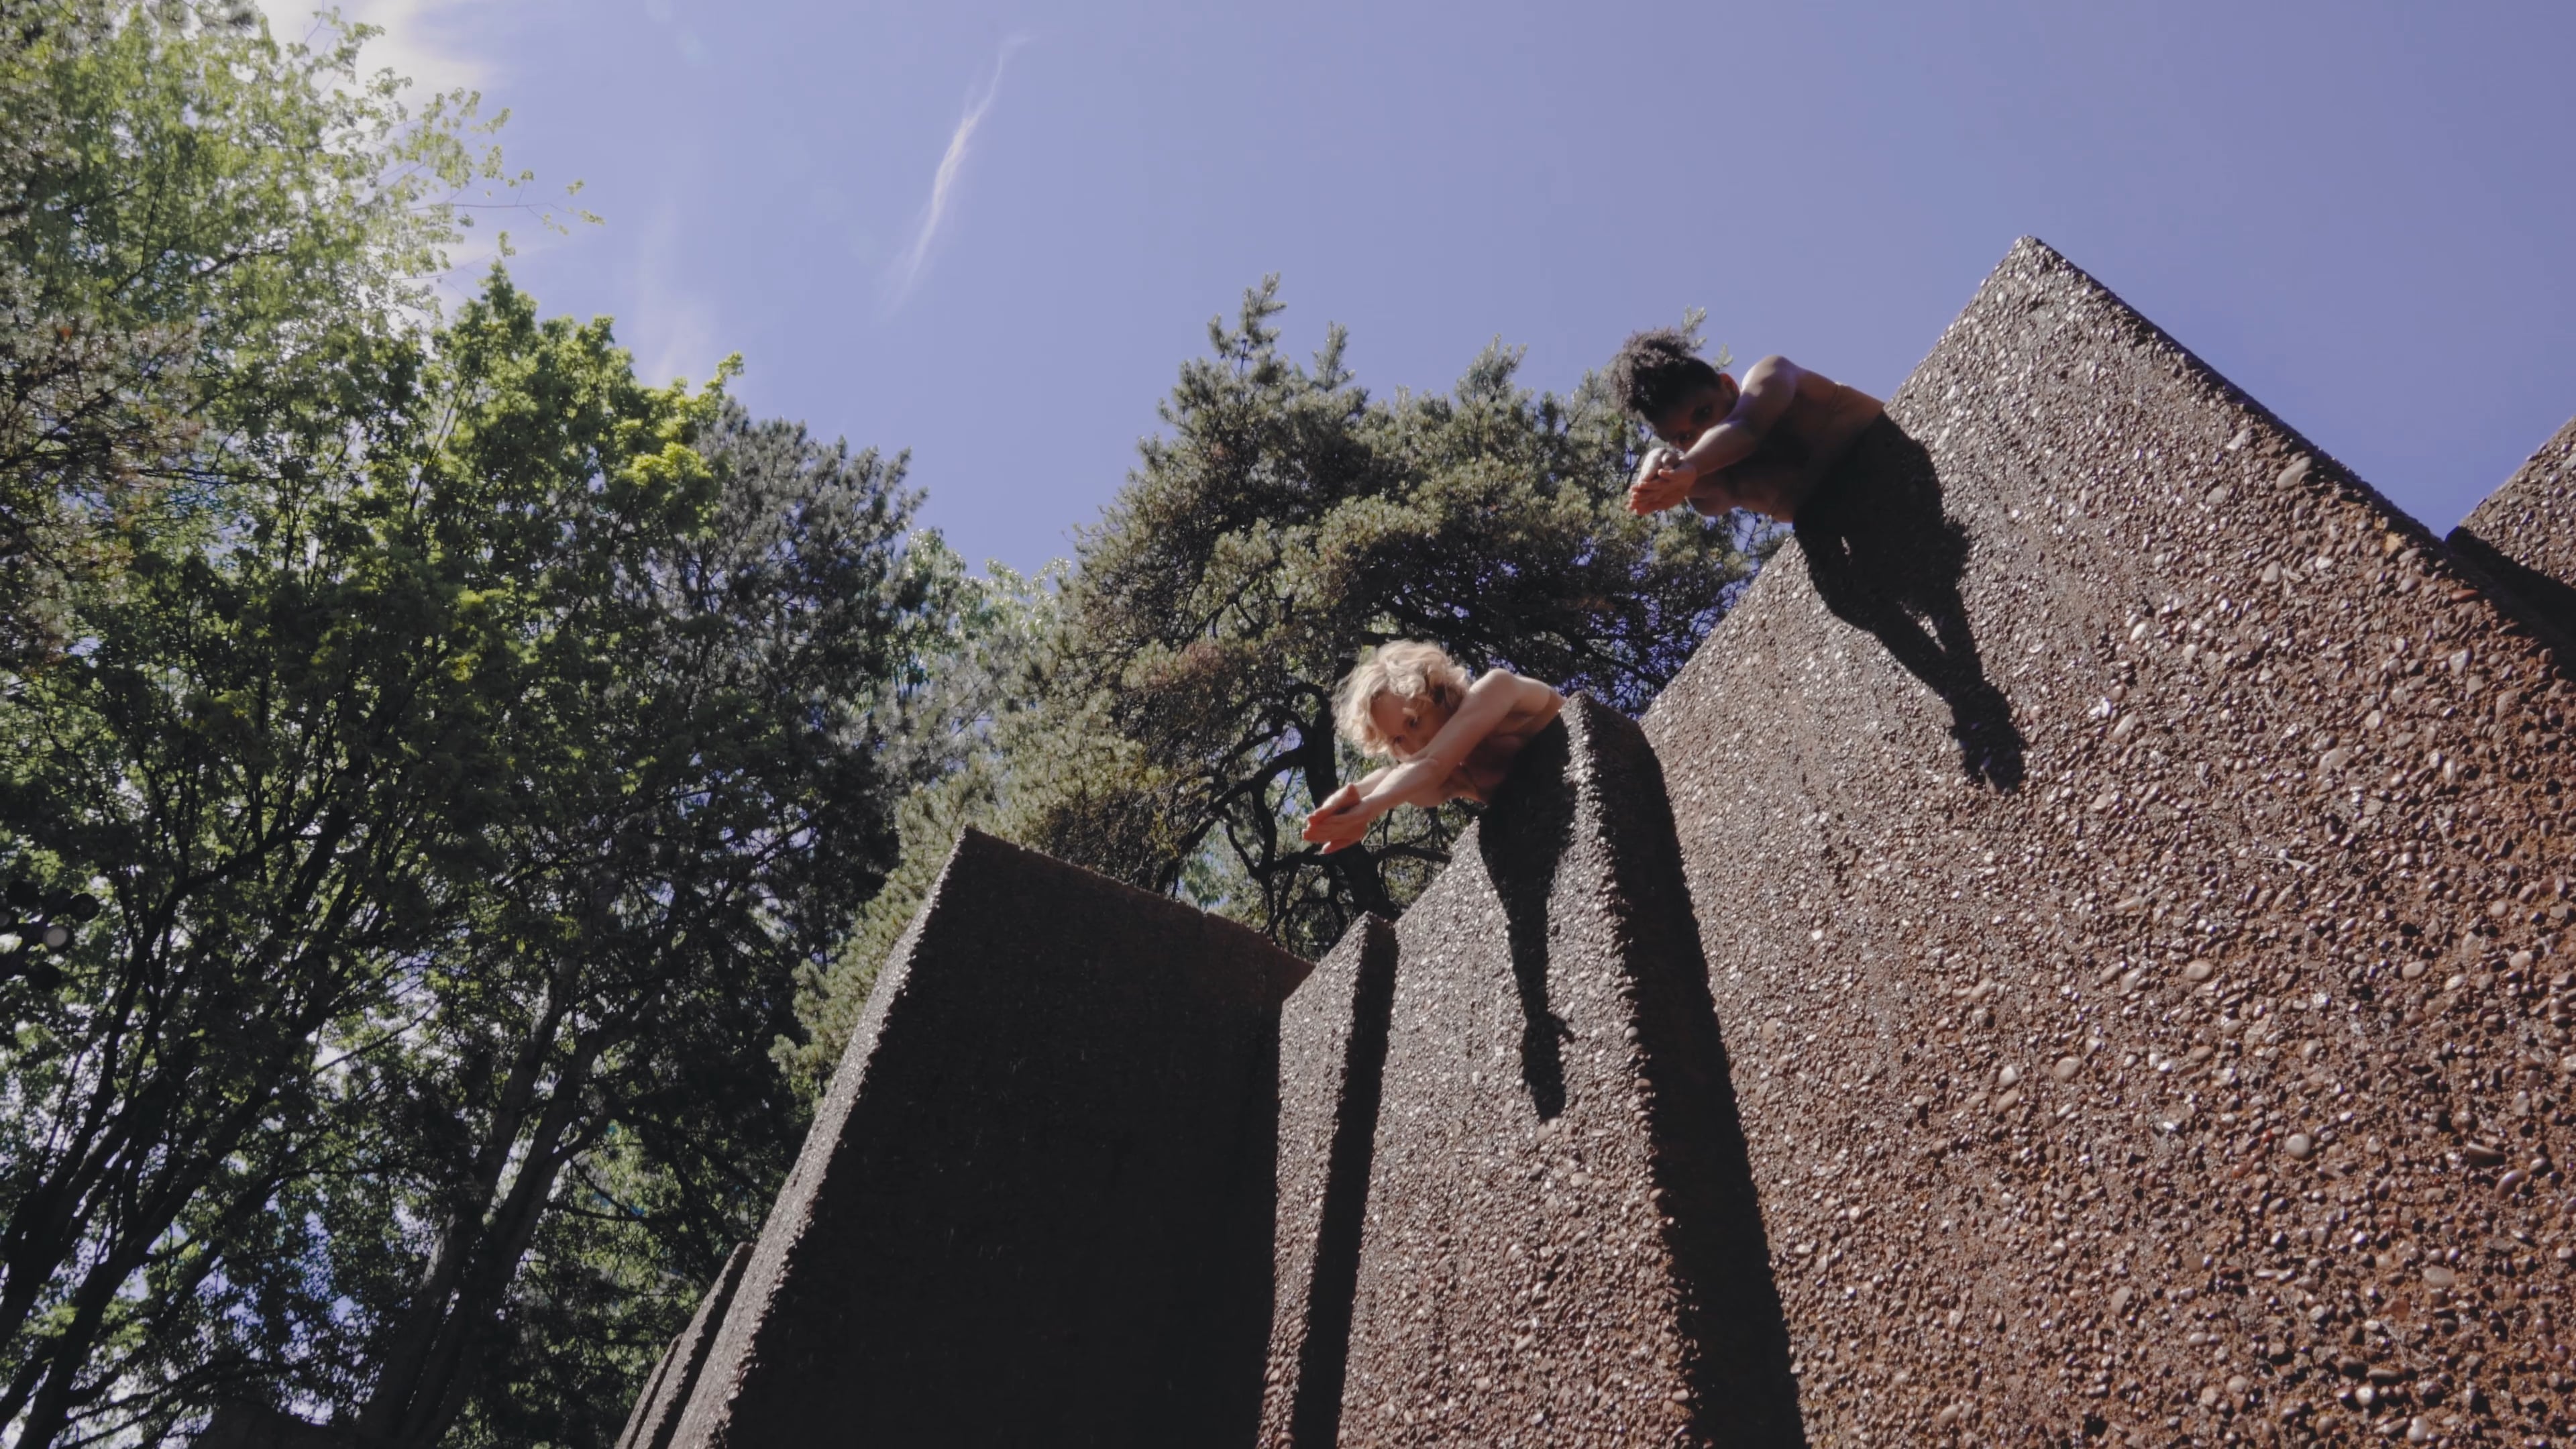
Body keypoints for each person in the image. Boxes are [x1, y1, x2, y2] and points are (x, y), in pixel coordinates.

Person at [1300, 641, 1564, 854]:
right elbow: (1396, 775)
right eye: (1397, 740)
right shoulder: (1458, 777)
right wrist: (1349, 801)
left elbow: (1431, 763)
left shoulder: (1498, 688)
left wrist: (1368, 808)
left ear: (1439, 692)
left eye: (1414, 722)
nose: (1415, 744)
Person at [1607, 328, 1885, 524]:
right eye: (1685, 436)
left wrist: (1689, 464)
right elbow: (1673, 471)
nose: (1705, 433)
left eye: (1704, 412)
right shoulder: (1723, 483)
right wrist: (1656, 472)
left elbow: (1746, 428)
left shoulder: (1772, 374)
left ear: (1728, 385)